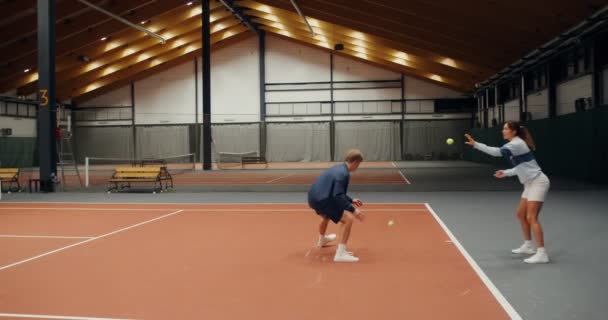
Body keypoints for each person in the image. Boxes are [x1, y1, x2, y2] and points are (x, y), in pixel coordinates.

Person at [465, 121, 550, 264]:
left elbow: (496, 152)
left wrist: (476, 144)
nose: (502, 131)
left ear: (514, 131)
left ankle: (542, 253)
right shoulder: (515, 145)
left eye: (505, 129)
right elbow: (521, 167)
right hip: (529, 184)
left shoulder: (516, 144)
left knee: (531, 217)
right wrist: (506, 173)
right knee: (520, 214)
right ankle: (528, 246)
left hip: (538, 182)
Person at [308, 149, 365, 262]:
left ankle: (322, 239)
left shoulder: (338, 168)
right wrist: (353, 210)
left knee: (326, 215)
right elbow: (338, 196)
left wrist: (351, 200)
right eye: (358, 164)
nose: (358, 167)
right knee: (348, 219)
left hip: (313, 197)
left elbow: (337, 192)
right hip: (322, 199)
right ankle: (340, 254)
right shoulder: (344, 174)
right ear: (355, 162)